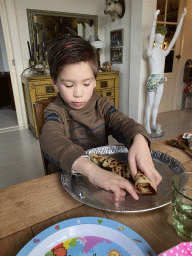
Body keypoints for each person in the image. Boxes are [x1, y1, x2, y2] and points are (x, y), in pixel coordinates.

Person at [39, 35, 162, 201]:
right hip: (67, 184)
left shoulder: (102, 105)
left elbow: (122, 122)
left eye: (86, 84)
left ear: (95, 80)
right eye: (69, 85)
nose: (78, 93)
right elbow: (49, 138)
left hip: (102, 182)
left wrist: (139, 139)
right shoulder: (54, 111)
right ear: (55, 83)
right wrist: (91, 170)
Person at [144, 8, 187, 135]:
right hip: (152, 79)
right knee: (150, 103)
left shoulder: (164, 52)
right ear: (155, 36)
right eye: (159, 35)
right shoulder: (150, 52)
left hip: (162, 79)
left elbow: (175, 37)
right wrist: (154, 19)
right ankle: (146, 124)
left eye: (163, 36)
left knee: (156, 104)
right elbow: (151, 35)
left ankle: (153, 122)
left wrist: (182, 18)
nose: (162, 37)